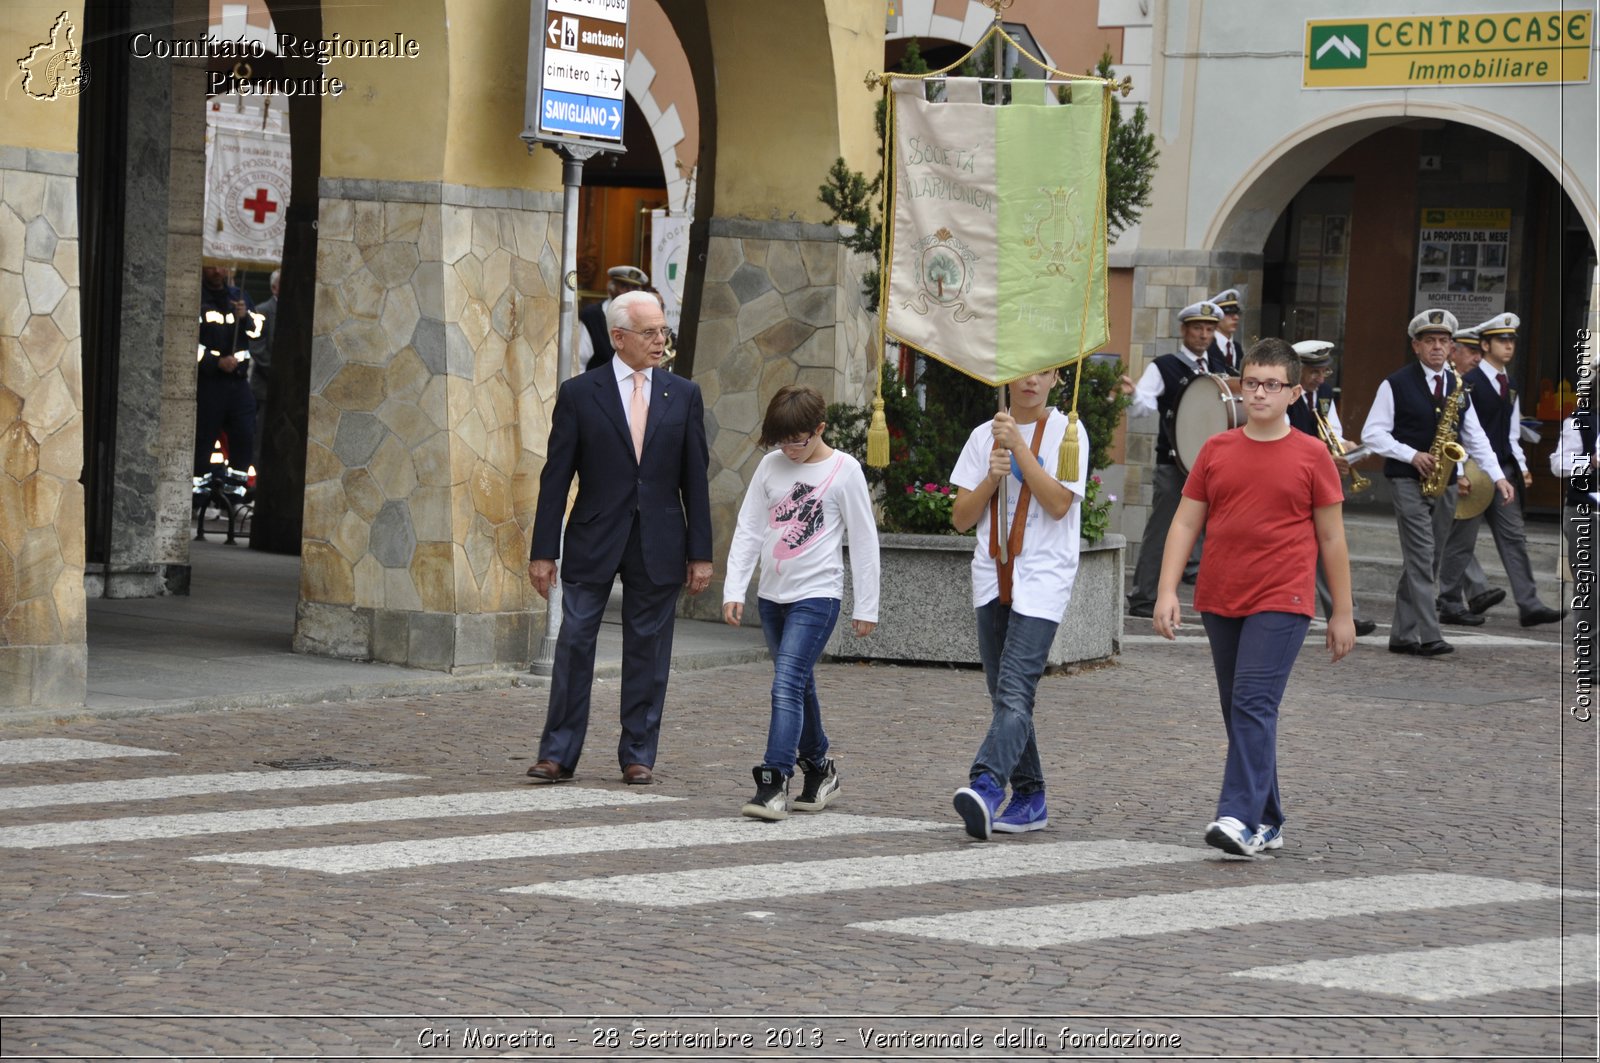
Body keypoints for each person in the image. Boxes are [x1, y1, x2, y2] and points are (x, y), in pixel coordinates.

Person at [1153, 338, 1356, 857]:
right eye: (1251, 382)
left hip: (1283, 598)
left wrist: (1344, 614)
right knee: (1240, 710)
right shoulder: (1216, 450)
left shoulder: (1313, 455)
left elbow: (1332, 539)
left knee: (1252, 703)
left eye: (1272, 384)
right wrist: (1166, 590)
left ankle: (1237, 817)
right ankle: (1268, 817)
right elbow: (1185, 521)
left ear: (1293, 392)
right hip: (1221, 596)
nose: (1260, 393)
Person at [526, 289, 713, 786]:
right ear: (618, 337)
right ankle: (558, 753)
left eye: (663, 331)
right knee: (574, 641)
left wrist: (701, 553)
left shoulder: (684, 394)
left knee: (649, 650)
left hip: (660, 540)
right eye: (649, 332)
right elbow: (556, 477)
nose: (660, 340)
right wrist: (543, 551)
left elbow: (695, 479)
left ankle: (638, 754)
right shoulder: (579, 394)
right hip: (592, 536)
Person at [722, 385, 880, 820]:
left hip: (818, 596)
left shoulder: (844, 470)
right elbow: (749, 528)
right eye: (781, 440)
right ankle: (820, 769)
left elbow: (864, 540)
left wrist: (867, 605)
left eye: (799, 439)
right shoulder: (769, 467)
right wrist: (735, 589)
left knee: (786, 683)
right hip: (772, 597)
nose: (789, 448)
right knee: (799, 684)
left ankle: (773, 781)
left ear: (820, 429)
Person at [949, 368, 1090, 839]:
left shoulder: (1070, 432)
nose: (1032, 381)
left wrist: (1022, 451)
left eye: (1043, 373)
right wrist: (992, 476)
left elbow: (1058, 504)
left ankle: (986, 786)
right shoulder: (981, 436)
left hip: (1043, 578)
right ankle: (1030, 796)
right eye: (1023, 372)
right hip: (991, 575)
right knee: (1004, 697)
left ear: (1055, 379)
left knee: (1013, 691)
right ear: (1009, 378)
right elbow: (961, 519)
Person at [1361, 309, 1510, 658]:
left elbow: (1475, 437)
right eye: (1430, 341)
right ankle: (1429, 635)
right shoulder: (1394, 383)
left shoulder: (1459, 387)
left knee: (1427, 560)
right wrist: (1411, 455)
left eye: (1444, 341)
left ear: (1452, 347)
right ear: (1416, 346)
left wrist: (1499, 477)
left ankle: (1401, 635)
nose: (1438, 348)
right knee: (1422, 555)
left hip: (1446, 484)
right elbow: (1372, 434)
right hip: (1407, 481)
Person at [1436, 313, 1562, 627]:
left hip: (1501, 469)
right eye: (1502, 341)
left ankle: (1529, 604)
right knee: (1461, 541)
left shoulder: (1511, 383)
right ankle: (1449, 601)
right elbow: (1463, 431)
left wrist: (1520, 467)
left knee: (1514, 537)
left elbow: (1511, 432)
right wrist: (1461, 469)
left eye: (1511, 341)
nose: (1509, 347)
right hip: (1473, 470)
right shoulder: (1469, 382)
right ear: (1485, 344)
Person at [1119, 301, 1230, 617]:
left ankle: (1215, 598)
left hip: (1214, 466)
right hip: (1174, 464)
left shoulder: (1221, 368)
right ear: (1184, 330)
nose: (1204, 335)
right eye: (1197, 328)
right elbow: (1143, 406)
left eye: (1209, 329)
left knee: (1219, 531)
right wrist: (1131, 394)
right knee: (1163, 529)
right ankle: (1144, 596)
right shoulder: (1165, 365)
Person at [1285, 340, 1377, 637]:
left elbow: (1331, 428)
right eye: (1314, 372)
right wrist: (1327, 456)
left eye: (1325, 372)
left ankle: (1345, 611)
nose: (1321, 379)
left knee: (1328, 546)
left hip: (1317, 478)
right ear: (1297, 369)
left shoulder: (1322, 393)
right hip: (1291, 478)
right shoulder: (1284, 394)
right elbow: (1286, 437)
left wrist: (1347, 447)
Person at [195, 264, 260, 475]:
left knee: (244, 435)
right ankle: (200, 500)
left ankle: (236, 497)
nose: (217, 272)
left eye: (221, 267)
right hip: (208, 383)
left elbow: (258, 331)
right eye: (212, 266)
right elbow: (187, 343)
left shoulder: (240, 296)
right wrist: (215, 362)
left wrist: (246, 318)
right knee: (203, 443)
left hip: (238, 383)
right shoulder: (196, 297)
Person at [1549, 379, 1595, 660]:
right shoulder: (1580, 420)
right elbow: (1558, 464)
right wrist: (1590, 462)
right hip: (1586, 512)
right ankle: (1589, 658)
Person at [579, 265, 650, 373]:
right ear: (611, 289)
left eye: (634, 288)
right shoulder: (592, 316)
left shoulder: (645, 318)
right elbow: (580, 362)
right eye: (624, 286)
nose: (629, 292)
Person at [249, 269, 279, 466]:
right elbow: (257, 348)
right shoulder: (261, 311)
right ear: (274, 287)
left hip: (288, 390)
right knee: (261, 437)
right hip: (266, 387)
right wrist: (277, 373)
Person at [1207, 288, 1245, 374]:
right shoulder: (1207, 345)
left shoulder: (1237, 347)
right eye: (1229, 313)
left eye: (1236, 313)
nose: (1236, 318)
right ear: (1216, 317)